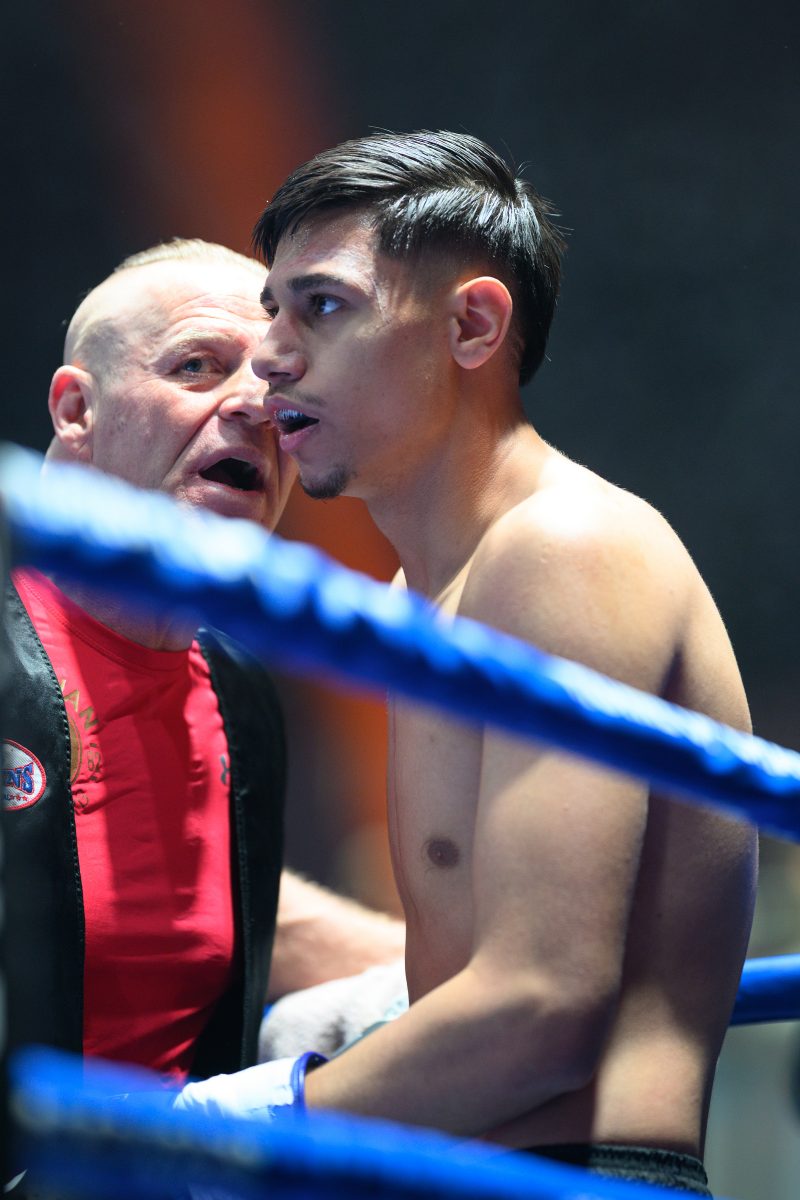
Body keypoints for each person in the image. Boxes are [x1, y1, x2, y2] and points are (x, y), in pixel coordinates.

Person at [175, 134, 758, 1196]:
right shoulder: (423, 598)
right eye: (272, 308)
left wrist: (256, 1118)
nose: (269, 353)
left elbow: (545, 1003)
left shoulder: (562, 550)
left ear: (471, 325)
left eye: (322, 306)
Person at [0, 238, 404, 1101]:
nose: (254, 408)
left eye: (277, 388)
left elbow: (205, 899)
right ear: (77, 410)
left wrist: (494, 983)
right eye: (197, 367)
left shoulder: (239, 688)